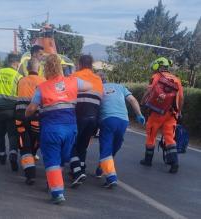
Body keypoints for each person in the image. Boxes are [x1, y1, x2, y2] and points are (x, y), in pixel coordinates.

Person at [25, 54, 92, 204]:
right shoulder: (72, 81)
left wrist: (27, 113)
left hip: (51, 129)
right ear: (61, 68)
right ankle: (53, 181)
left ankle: (57, 193)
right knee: (62, 158)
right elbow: (89, 86)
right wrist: (69, 79)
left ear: (46, 69)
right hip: (70, 129)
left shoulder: (42, 87)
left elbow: (32, 108)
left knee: (52, 160)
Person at [97, 72, 145, 188]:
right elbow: (133, 100)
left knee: (106, 147)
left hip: (108, 119)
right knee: (115, 145)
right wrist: (139, 115)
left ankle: (111, 177)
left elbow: (95, 105)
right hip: (123, 120)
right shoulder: (120, 87)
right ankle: (101, 168)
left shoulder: (97, 88)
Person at [140, 57, 183, 173]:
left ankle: (148, 160)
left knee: (151, 136)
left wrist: (142, 101)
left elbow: (149, 91)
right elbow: (181, 98)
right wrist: (179, 112)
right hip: (171, 113)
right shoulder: (177, 79)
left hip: (156, 112)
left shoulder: (156, 77)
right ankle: (174, 163)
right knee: (169, 137)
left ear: (157, 66)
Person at [69, 55, 104, 187]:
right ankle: (81, 169)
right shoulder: (98, 79)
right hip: (93, 117)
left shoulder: (74, 76)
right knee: (83, 145)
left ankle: (77, 171)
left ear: (79, 64)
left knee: (71, 144)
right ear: (91, 65)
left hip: (79, 115)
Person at [15, 59, 45, 185]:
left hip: (20, 116)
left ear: (27, 69)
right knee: (35, 141)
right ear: (39, 69)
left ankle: (30, 174)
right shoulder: (44, 82)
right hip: (36, 117)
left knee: (24, 144)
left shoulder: (21, 80)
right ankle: (32, 156)